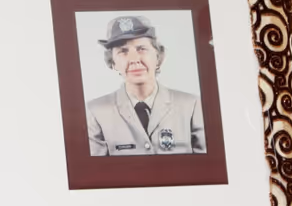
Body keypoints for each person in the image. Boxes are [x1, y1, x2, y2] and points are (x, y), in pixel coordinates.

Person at [86, 15, 206, 157]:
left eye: (141, 48)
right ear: (113, 63)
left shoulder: (191, 106)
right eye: (123, 51)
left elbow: (207, 169)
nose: (134, 59)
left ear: (158, 56)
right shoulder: (95, 112)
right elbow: (97, 174)